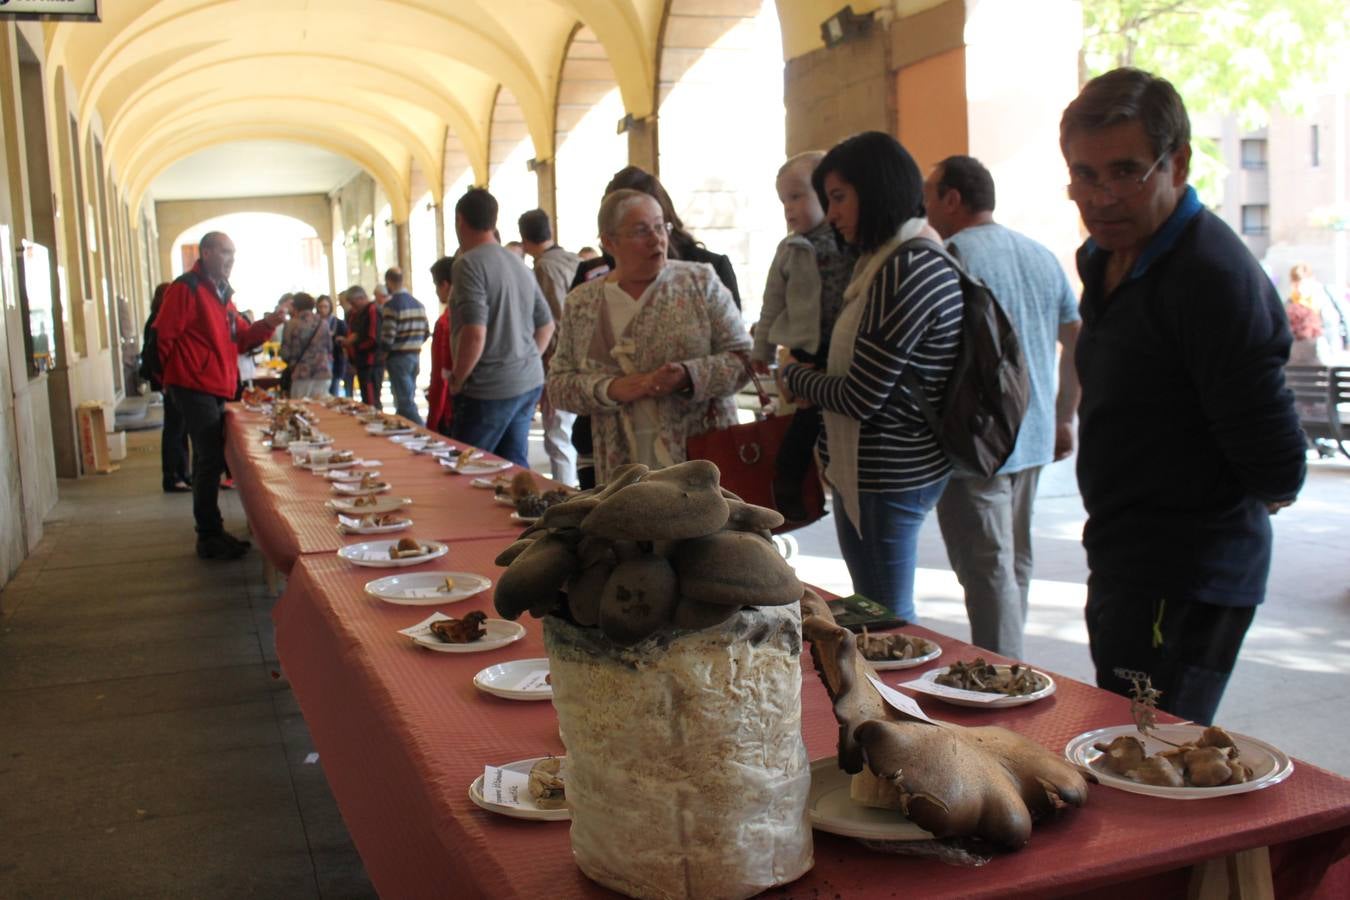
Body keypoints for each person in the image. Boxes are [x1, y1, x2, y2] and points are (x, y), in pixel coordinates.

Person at [1062, 68, 1306, 724]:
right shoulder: (1105, 256)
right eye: (1084, 175)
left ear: (1178, 163)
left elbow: (1277, 462)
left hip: (1188, 571)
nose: (1102, 196)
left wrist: (1204, 503)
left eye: (1125, 171)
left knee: (1149, 750)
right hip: (1122, 551)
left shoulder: (1211, 278)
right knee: (1121, 733)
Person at [781, 132, 963, 625]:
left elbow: (862, 395)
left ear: (876, 188)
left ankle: (893, 703)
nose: (831, 213)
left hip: (888, 471)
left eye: (839, 197)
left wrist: (795, 376)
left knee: (884, 615)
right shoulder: (888, 261)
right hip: (875, 469)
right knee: (874, 606)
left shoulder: (905, 268)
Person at [922, 155, 1082, 660]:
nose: (925, 207)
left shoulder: (951, 256)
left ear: (952, 198)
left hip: (977, 440)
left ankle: (1003, 677)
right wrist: (1063, 413)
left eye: (930, 195)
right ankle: (1011, 665)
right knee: (1014, 563)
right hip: (1032, 434)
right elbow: (1075, 335)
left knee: (987, 568)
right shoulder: (1040, 254)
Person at [548, 189, 751, 481]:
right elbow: (558, 385)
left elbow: (743, 360)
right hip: (622, 472)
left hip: (700, 465)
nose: (657, 239)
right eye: (642, 231)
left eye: (660, 227)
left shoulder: (699, 282)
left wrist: (687, 375)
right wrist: (612, 389)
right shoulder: (583, 302)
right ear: (609, 242)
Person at [153, 231, 289, 559]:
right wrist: (173, 380)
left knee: (210, 457)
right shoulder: (186, 288)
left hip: (214, 385)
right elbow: (163, 335)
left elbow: (241, 339)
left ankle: (212, 530)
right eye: (226, 252)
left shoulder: (223, 296)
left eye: (233, 253)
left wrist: (270, 322)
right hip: (194, 385)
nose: (231, 259)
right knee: (210, 456)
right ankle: (208, 534)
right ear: (208, 252)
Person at [751, 150, 856, 522]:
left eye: (797, 196)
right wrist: (761, 348)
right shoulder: (788, 249)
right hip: (802, 348)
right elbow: (771, 302)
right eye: (783, 200)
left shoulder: (847, 241)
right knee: (803, 421)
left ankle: (824, 481)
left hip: (839, 346)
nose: (789, 208)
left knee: (829, 419)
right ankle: (791, 488)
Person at [447, 188, 555, 467]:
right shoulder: (518, 262)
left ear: (460, 220)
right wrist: (524, 357)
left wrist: (458, 379)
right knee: (513, 465)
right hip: (528, 380)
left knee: (464, 468)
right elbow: (546, 325)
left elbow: (475, 332)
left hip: (489, 387)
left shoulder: (468, 264)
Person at [519, 208, 582, 486]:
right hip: (586, 359)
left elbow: (553, 320)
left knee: (558, 437)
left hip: (561, 362)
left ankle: (564, 497)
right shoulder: (574, 259)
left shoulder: (544, 266)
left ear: (524, 239)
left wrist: (548, 371)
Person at [140, 281, 191, 493]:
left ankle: (183, 474)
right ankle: (173, 477)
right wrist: (163, 380)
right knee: (175, 429)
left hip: (173, 381)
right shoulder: (158, 321)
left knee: (180, 429)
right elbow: (155, 354)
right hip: (170, 382)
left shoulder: (159, 318)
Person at [378, 267, 430, 424]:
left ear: (389, 282)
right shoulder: (418, 305)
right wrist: (413, 343)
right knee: (407, 396)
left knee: (404, 401)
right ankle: (404, 430)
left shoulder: (392, 306)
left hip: (398, 357)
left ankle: (423, 431)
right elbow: (427, 332)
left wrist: (384, 354)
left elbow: (388, 336)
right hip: (414, 355)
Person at [280, 292, 333, 399]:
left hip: (301, 374)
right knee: (321, 409)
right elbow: (329, 347)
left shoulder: (292, 324)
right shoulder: (323, 323)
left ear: (295, 307)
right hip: (323, 372)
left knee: (301, 411)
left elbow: (285, 353)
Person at [426, 255, 456, 436]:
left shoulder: (445, 323)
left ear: (444, 285)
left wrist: (433, 420)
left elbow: (441, 374)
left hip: (452, 408)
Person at [343, 286, 383, 408]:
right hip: (361, 362)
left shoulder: (372, 310)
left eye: (354, 303)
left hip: (370, 362)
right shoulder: (356, 314)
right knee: (366, 399)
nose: (352, 307)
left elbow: (373, 338)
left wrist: (354, 344)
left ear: (361, 298)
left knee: (372, 401)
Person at [317, 295, 348, 396]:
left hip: (335, 363)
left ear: (330, 307)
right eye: (320, 306)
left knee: (333, 392)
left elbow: (345, 342)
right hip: (318, 364)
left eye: (325, 306)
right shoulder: (314, 324)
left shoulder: (338, 323)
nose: (322, 309)